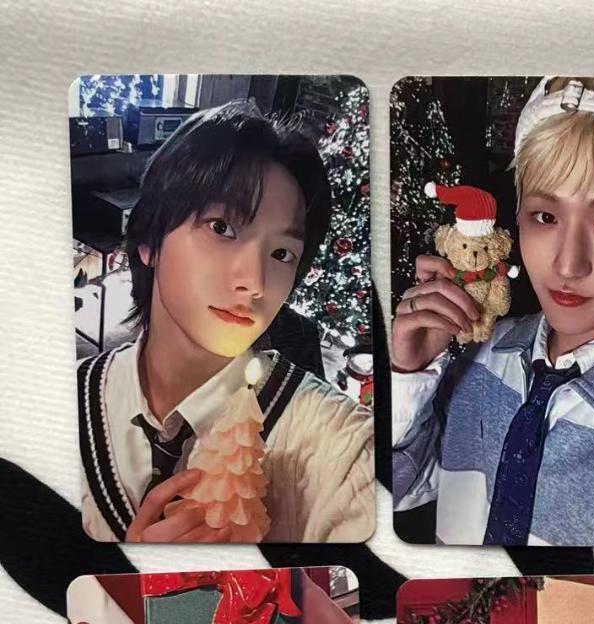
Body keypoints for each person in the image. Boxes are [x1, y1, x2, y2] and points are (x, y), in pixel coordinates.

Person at [391, 77, 594, 546]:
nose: (568, 264)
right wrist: (409, 374)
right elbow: (399, 493)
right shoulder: (480, 354)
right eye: (545, 217)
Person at [77, 101, 375, 544]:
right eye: (222, 228)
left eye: (281, 254)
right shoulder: (64, 402)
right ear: (150, 240)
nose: (255, 282)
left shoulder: (341, 448)